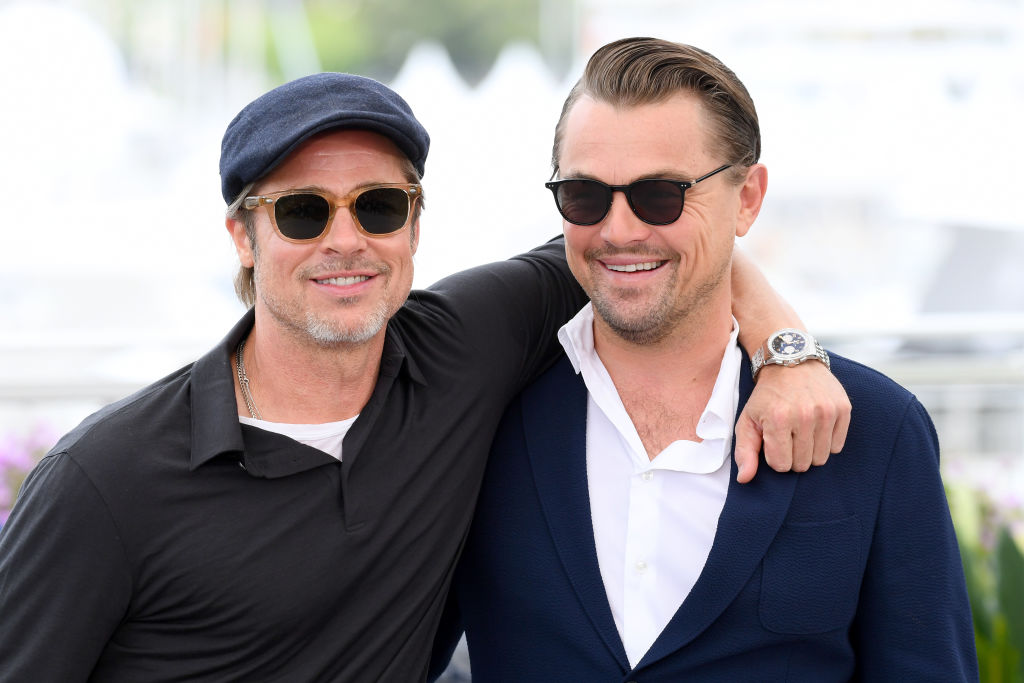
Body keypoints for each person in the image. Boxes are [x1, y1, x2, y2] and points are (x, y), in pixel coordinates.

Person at [0, 72, 849, 681]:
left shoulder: (463, 347)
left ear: (413, 225)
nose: (346, 240)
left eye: (379, 206)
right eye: (301, 212)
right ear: (242, 238)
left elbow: (641, 245)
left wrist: (785, 349)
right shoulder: (106, 480)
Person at [430, 37, 978, 681]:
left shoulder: (877, 430)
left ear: (747, 199)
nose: (619, 230)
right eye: (584, 195)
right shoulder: (485, 417)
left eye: (661, 195)